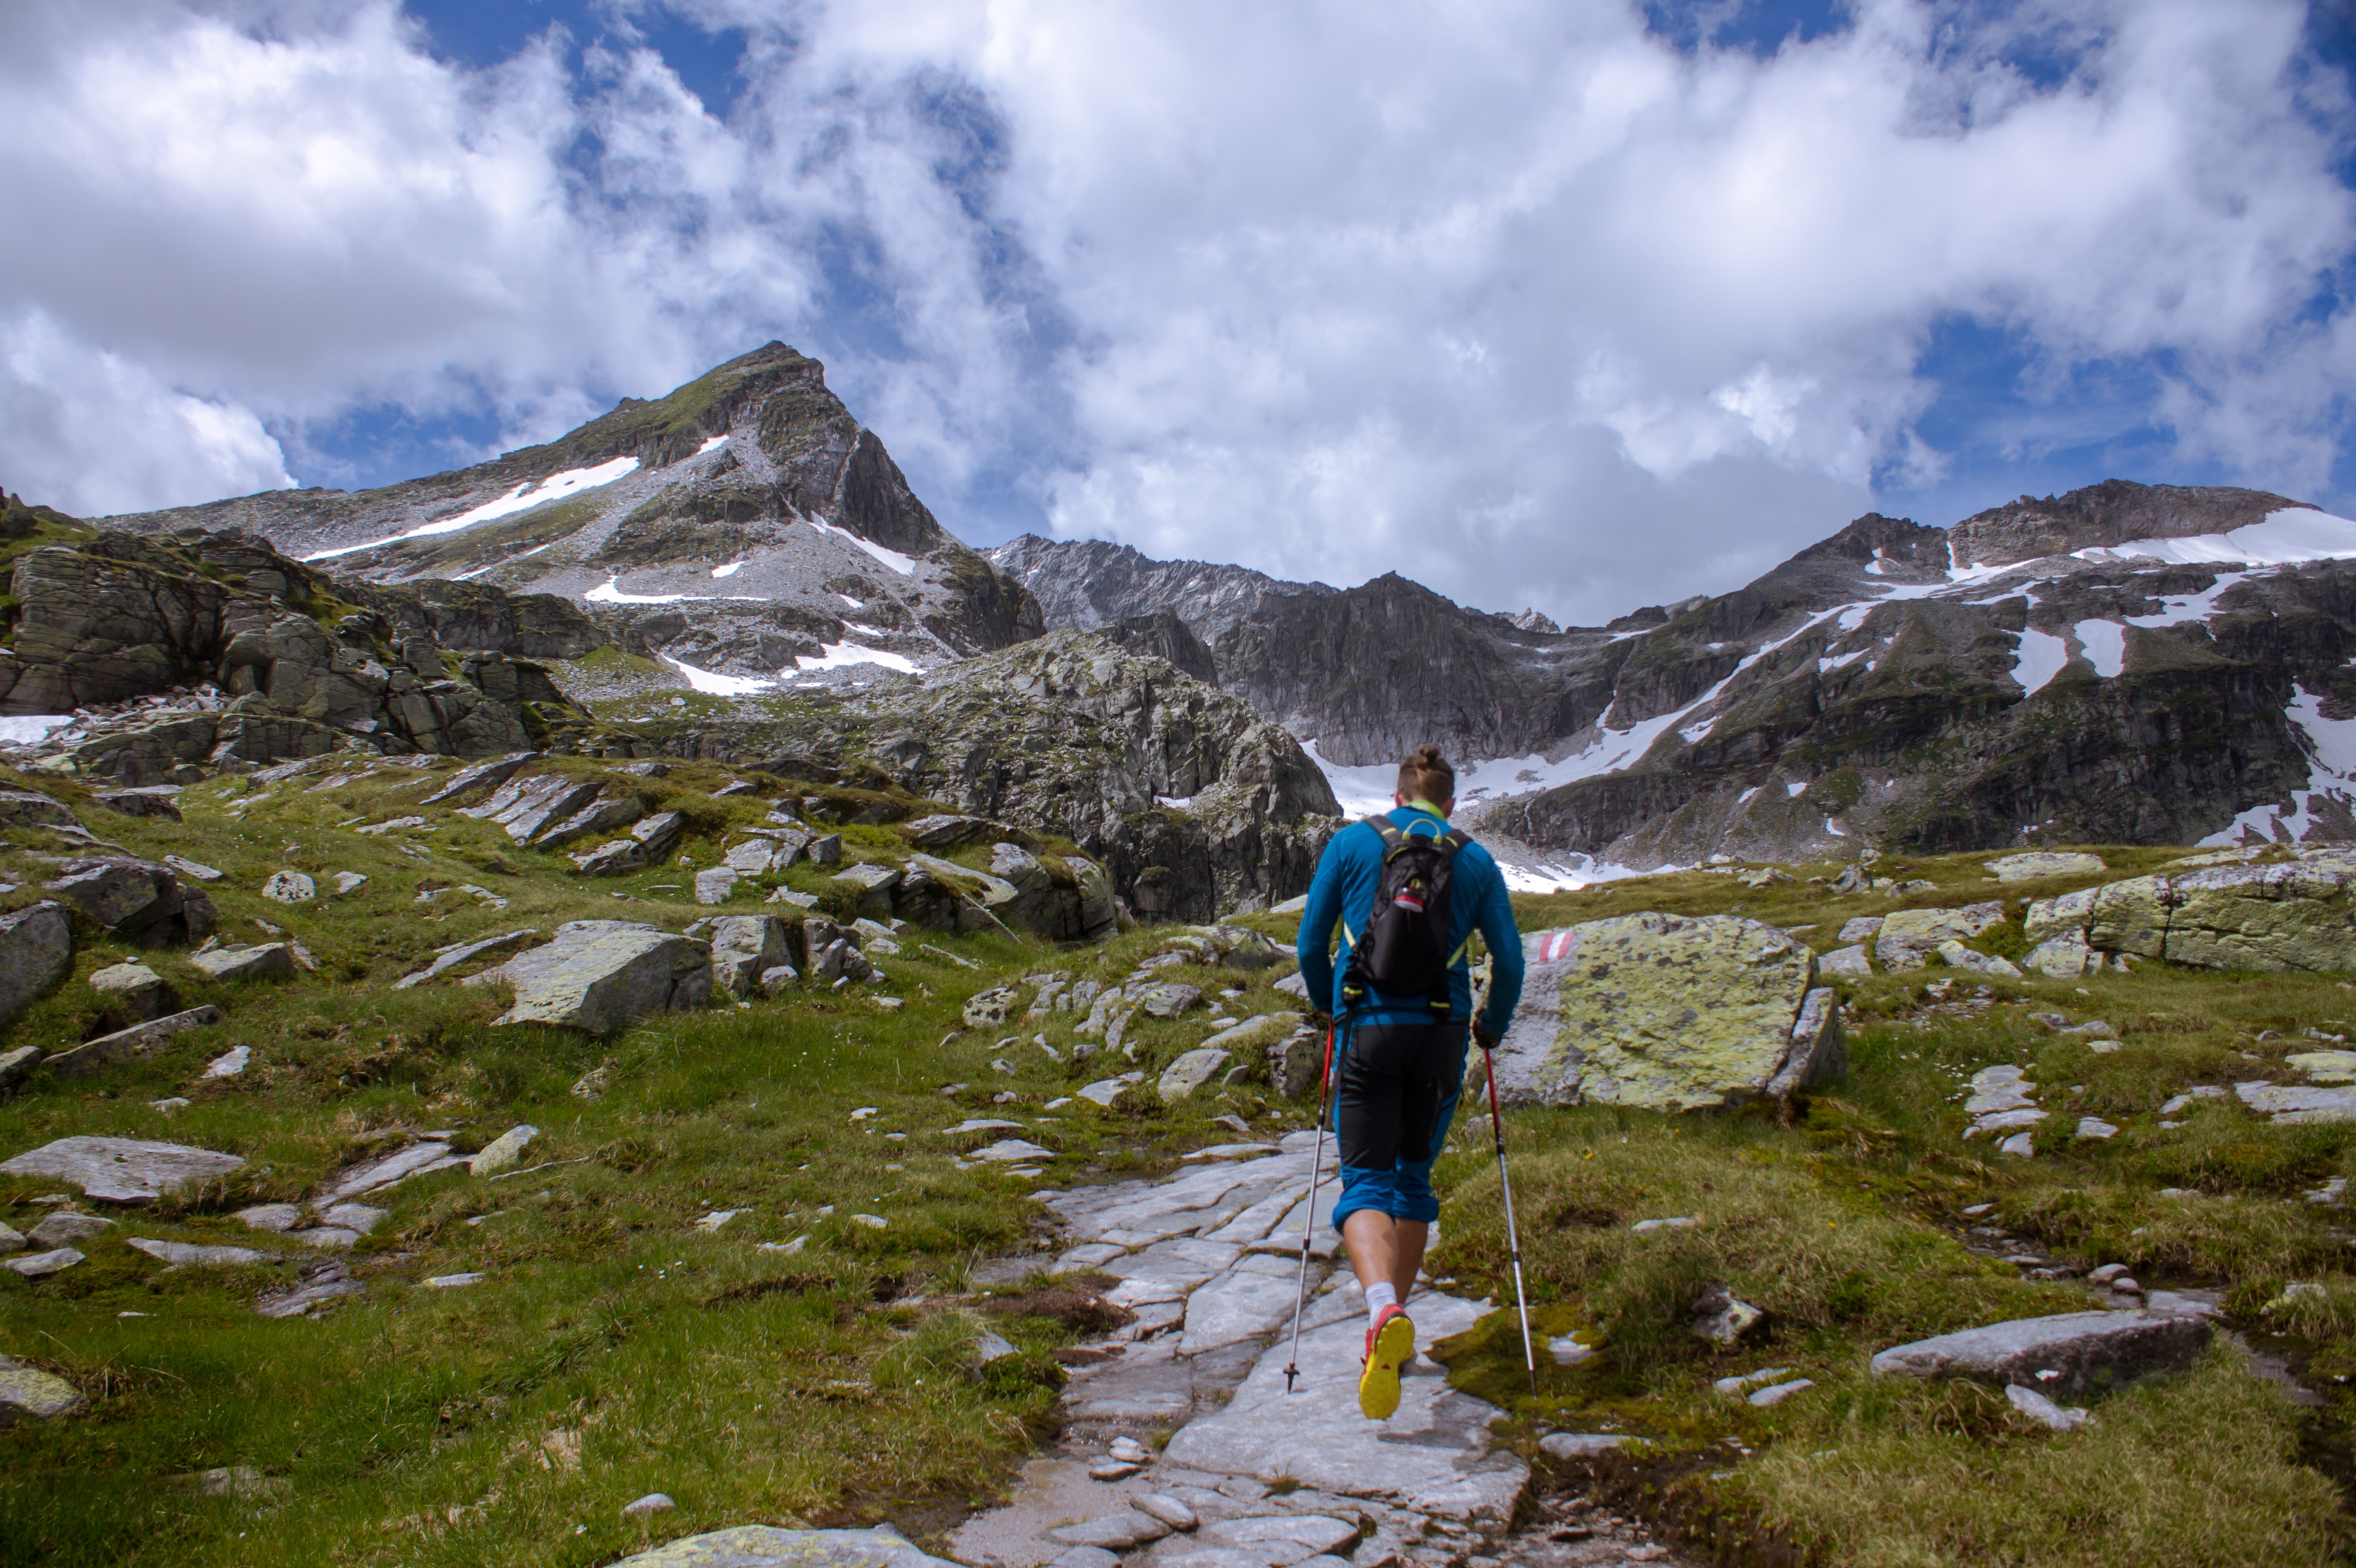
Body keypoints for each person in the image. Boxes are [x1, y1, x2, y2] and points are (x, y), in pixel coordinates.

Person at [1295, 744, 1524, 1421]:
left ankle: (1381, 1310)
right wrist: (1492, 1026)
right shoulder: (1476, 860)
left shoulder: (1351, 845)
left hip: (1366, 1027)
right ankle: (1390, 1337)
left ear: (1395, 799)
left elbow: (1312, 943)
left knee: (1364, 1180)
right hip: (1443, 1034)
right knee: (1412, 1180)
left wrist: (1326, 1002)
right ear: (1450, 806)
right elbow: (1508, 962)